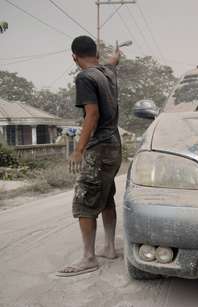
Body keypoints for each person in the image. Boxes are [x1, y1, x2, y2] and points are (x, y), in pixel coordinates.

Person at [57, 36, 122, 277]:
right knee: (106, 197)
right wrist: (116, 55)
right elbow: (113, 61)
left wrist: (78, 149)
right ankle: (110, 248)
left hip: (99, 147)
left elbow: (91, 114)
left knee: (84, 199)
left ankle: (88, 257)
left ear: (74, 56)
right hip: (115, 147)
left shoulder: (84, 77)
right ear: (96, 53)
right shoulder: (108, 72)